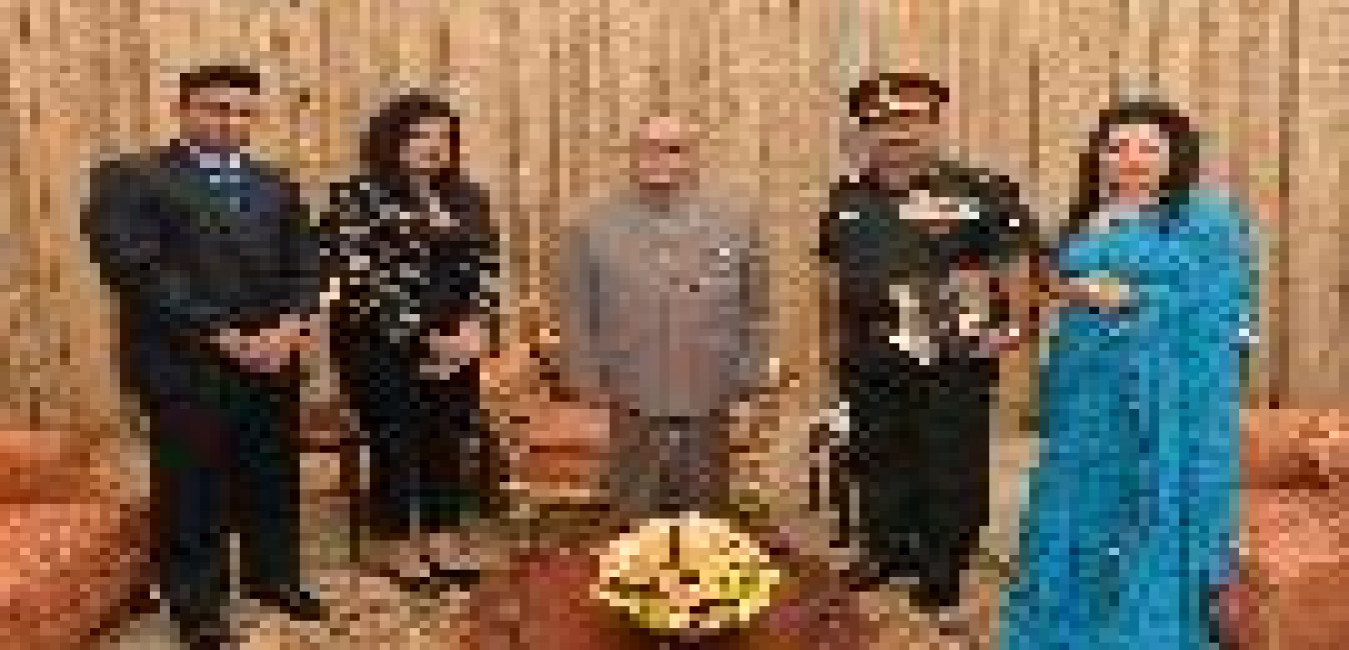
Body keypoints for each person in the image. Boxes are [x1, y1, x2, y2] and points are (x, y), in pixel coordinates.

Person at [81, 64, 326, 649]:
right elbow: (136, 270)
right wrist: (222, 334)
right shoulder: (130, 177)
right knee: (191, 488)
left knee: (272, 474)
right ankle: (197, 606)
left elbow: (307, 263)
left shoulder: (277, 184)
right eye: (218, 109)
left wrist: (291, 326)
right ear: (184, 110)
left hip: (272, 358)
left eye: (244, 113)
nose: (232, 122)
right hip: (184, 362)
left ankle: (274, 578)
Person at [999, 98, 1252, 650]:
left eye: (1148, 147)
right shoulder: (1088, 217)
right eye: (1117, 147)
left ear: (1175, 155)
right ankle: (1069, 622)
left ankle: (1141, 630)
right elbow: (1063, 288)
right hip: (1088, 388)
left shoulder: (1206, 220)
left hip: (1164, 396)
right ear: (1098, 156)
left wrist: (1133, 300)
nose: (1131, 159)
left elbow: (1223, 307)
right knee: (1079, 500)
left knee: (1145, 502)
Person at [819, 72, 1035, 635]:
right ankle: (886, 551)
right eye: (882, 122)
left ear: (935, 125)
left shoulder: (982, 190)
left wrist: (1014, 326)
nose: (897, 132)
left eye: (911, 119)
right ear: (864, 131)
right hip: (871, 352)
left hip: (952, 355)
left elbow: (1014, 260)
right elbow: (832, 276)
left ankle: (942, 572)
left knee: (950, 464)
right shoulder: (847, 197)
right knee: (877, 455)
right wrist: (832, 348)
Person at [323, 92, 498, 590]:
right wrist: (426, 338)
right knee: (395, 439)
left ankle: (443, 534)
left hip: (457, 341)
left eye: (445, 137)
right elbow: (355, 277)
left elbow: (487, 266)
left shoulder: (468, 196)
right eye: (421, 135)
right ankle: (394, 540)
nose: (434, 146)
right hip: (379, 341)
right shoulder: (356, 196)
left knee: (447, 434)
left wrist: (476, 327)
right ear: (391, 139)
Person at [558, 113, 771, 519]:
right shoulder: (591, 225)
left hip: (709, 393)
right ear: (631, 155)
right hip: (630, 394)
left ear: (694, 157)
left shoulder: (737, 222)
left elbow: (757, 310)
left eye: (674, 149)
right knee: (632, 518)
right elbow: (576, 313)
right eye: (649, 149)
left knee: (705, 520)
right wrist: (588, 385)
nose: (660, 160)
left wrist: (749, 380)